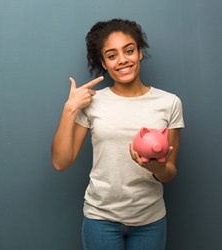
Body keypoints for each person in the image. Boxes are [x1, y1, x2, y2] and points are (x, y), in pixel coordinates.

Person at [51, 18, 184, 250]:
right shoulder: (92, 102)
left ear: (140, 53)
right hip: (101, 219)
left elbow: (169, 173)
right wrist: (70, 108)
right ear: (103, 62)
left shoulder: (169, 102)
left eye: (129, 51)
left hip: (149, 220)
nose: (122, 60)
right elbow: (61, 162)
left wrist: (156, 168)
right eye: (112, 55)